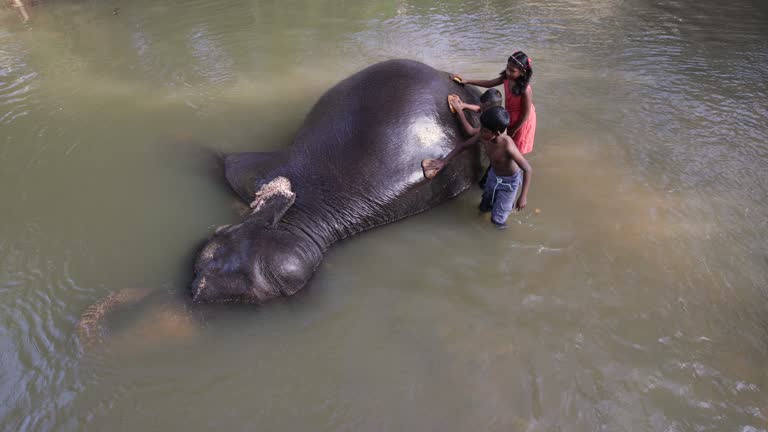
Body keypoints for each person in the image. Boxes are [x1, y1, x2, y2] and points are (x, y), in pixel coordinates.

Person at [422, 106, 532, 227]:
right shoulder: (484, 136)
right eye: (481, 129)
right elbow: (463, 146)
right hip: (493, 176)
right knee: (484, 206)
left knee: (497, 219)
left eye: (484, 131)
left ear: (496, 133)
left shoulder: (507, 146)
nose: (480, 133)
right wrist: (443, 161)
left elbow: (527, 168)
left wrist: (523, 196)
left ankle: (498, 233)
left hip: (509, 184)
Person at [450, 51, 537, 155]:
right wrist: (467, 81)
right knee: (506, 140)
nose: (508, 72)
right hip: (510, 114)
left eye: (512, 71)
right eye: (507, 68)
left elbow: (525, 115)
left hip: (522, 120)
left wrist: (514, 129)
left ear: (522, 72)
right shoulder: (506, 77)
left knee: (516, 147)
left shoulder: (525, 90)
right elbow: (489, 83)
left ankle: (514, 165)